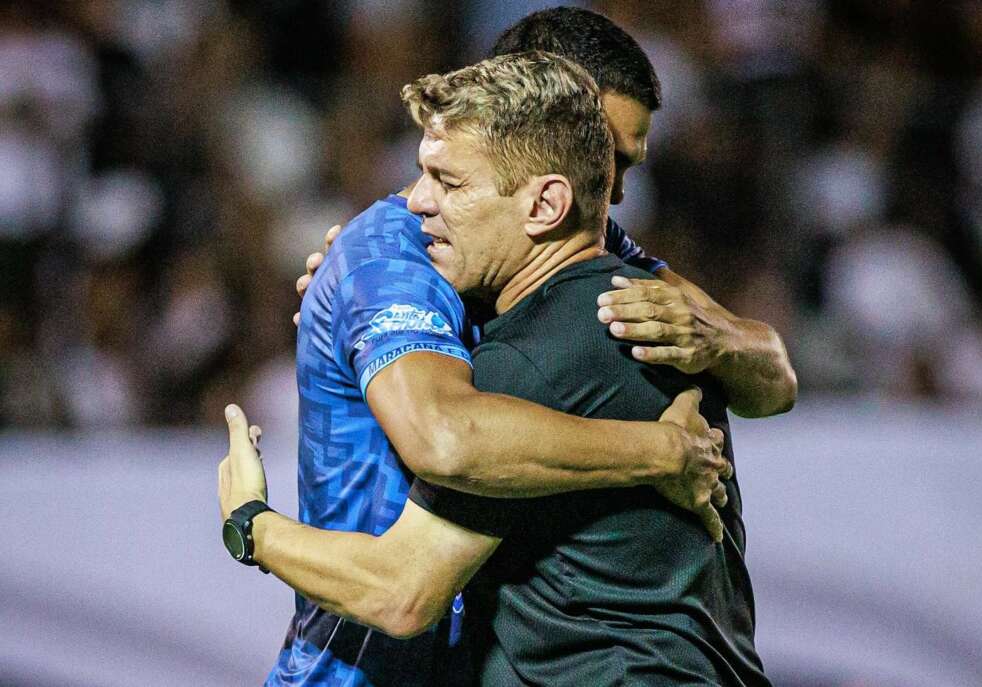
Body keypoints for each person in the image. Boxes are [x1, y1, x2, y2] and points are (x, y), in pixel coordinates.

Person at [221, 8, 794, 686]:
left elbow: (777, 381)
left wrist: (719, 336)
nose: (612, 189)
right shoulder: (401, 260)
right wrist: (657, 451)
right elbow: (446, 439)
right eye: (601, 152)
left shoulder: (606, 287)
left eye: (617, 163)